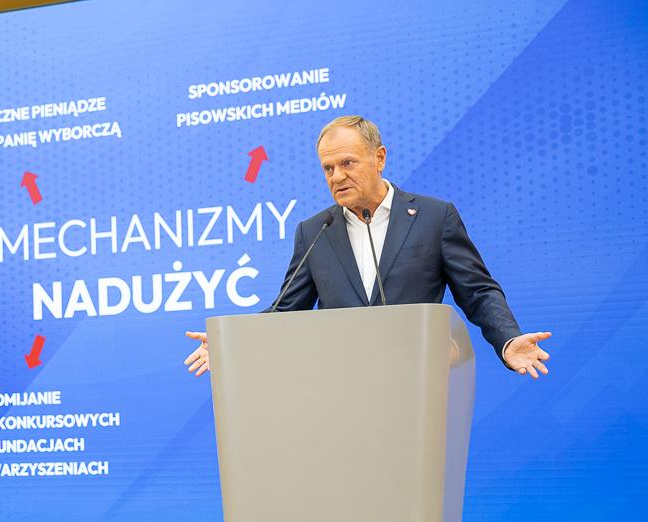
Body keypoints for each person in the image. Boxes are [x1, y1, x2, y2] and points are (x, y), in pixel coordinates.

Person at [184, 115, 551, 378]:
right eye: (328, 168)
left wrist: (508, 340)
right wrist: (230, 344)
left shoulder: (434, 217)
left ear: (379, 158)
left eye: (347, 163)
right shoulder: (315, 231)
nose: (337, 176)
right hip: (342, 389)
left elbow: (478, 291)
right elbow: (285, 312)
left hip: (418, 383)